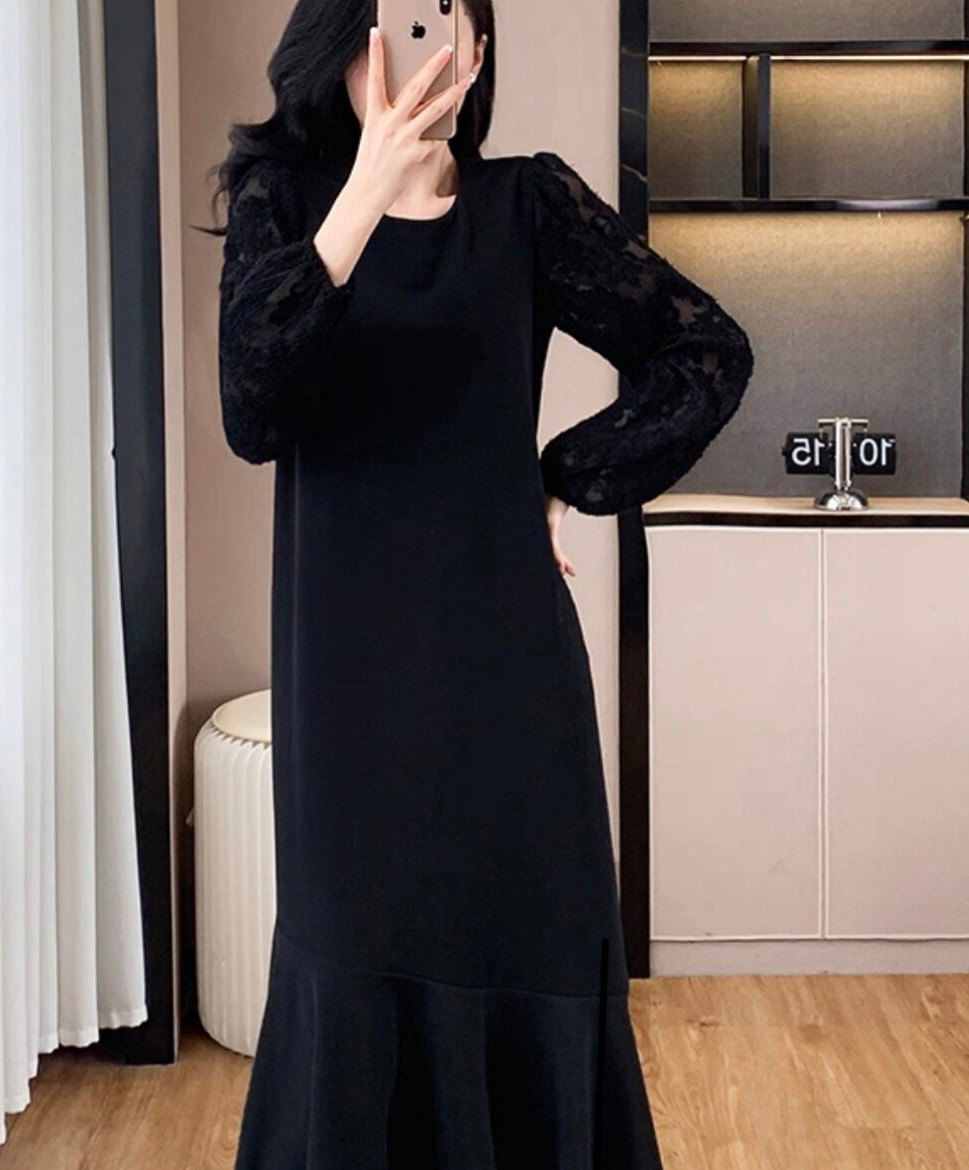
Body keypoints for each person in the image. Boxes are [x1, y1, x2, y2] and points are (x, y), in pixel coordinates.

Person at [208, 1, 753, 1165]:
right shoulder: (287, 206)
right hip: (350, 700)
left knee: (530, 958)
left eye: (442, 19)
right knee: (357, 972)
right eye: (392, 22)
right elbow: (251, 408)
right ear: (346, 52)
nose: (417, 50)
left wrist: (567, 475)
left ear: (478, 53)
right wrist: (365, 192)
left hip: (512, 686)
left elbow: (707, 353)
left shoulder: (528, 205)